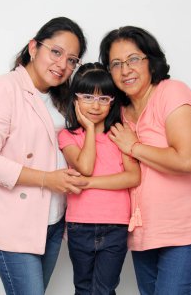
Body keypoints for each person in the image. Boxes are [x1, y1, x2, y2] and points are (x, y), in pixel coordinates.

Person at [0, 16, 88, 295]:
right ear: (34, 48)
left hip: (53, 221)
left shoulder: (63, 98)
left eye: (72, 60)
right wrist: (47, 179)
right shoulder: (3, 88)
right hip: (13, 223)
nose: (63, 65)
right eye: (56, 52)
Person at [99, 26, 191, 295]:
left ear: (150, 61)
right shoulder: (119, 111)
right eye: (116, 64)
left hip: (185, 231)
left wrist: (134, 146)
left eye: (133, 59)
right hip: (144, 233)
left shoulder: (172, 92)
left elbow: (187, 159)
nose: (125, 70)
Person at [58, 62, 141, 295]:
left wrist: (90, 184)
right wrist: (90, 129)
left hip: (116, 224)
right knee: (84, 288)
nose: (96, 105)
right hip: (79, 225)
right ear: (75, 99)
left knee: (104, 289)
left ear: (112, 101)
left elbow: (132, 177)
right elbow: (85, 166)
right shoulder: (68, 136)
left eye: (104, 98)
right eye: (87, 97)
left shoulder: (120, 133)